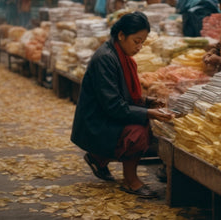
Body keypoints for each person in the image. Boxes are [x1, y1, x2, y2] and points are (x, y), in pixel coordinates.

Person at [71, 12, 174, 198]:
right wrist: (148, 112)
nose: (140, 47)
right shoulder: (105, 58)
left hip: (107, 114)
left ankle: (98, 159)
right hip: (95, 121)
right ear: (121, 35)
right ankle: (130, 180)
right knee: (139, 129)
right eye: (136, 41)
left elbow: (126, 96)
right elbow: (114, 106)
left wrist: (148, 102)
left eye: (142, 42)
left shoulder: (123, 56)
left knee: (144, 119)